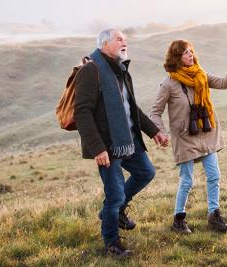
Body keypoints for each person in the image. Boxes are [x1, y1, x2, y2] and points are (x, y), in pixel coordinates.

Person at [73, 28, 169, 257]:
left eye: (125, 39)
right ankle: (112, 243)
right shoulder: (91, 70)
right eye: (119, 39)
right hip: (107, 145)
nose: (124, 42)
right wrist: (97, 148)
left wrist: (153, 131)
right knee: (115, 195)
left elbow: (131, 107)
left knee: (146, 172)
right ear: (104, 44)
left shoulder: (121, 69)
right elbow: (82, 112)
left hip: (128, 139)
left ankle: (115, 212)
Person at [150, 39, 227, 234]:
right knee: (187, 181)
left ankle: (214, 217)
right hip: (185, 138)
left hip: (206, 133)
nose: (190, 55)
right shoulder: (168, 84)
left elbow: (225, 83)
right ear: (177, 57)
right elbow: (155, 112)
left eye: (191, 51)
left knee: (214, 176)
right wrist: (160, 132)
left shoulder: (201, 75)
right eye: (186, 53)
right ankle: (178, 220)